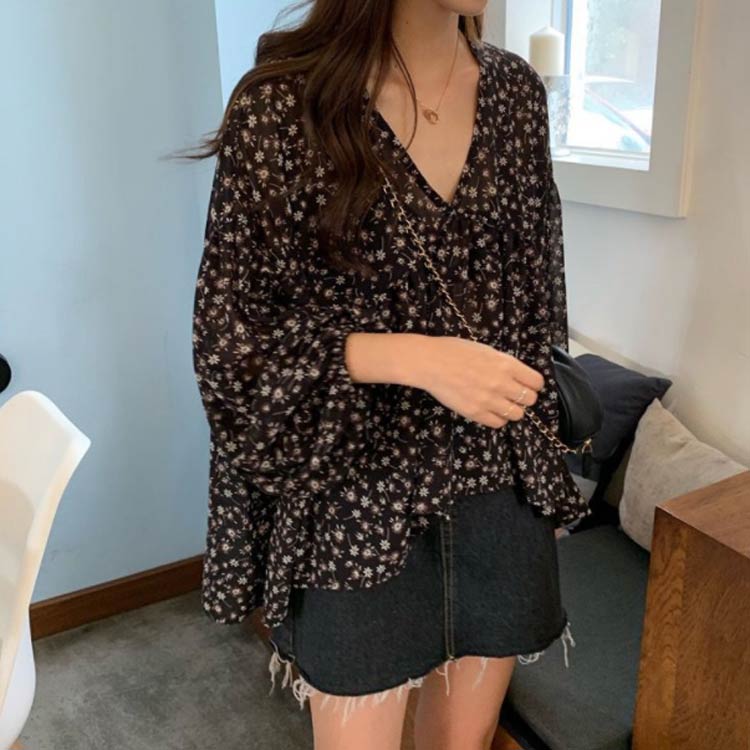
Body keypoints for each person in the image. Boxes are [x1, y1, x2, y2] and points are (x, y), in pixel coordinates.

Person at [189, 1, 592, 747]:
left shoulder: (515, 95)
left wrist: (543, 471)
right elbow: (232, 344)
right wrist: (413, 356)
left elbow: (540, 306)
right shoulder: (283, 105)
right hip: (353, 493)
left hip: (496, 484)